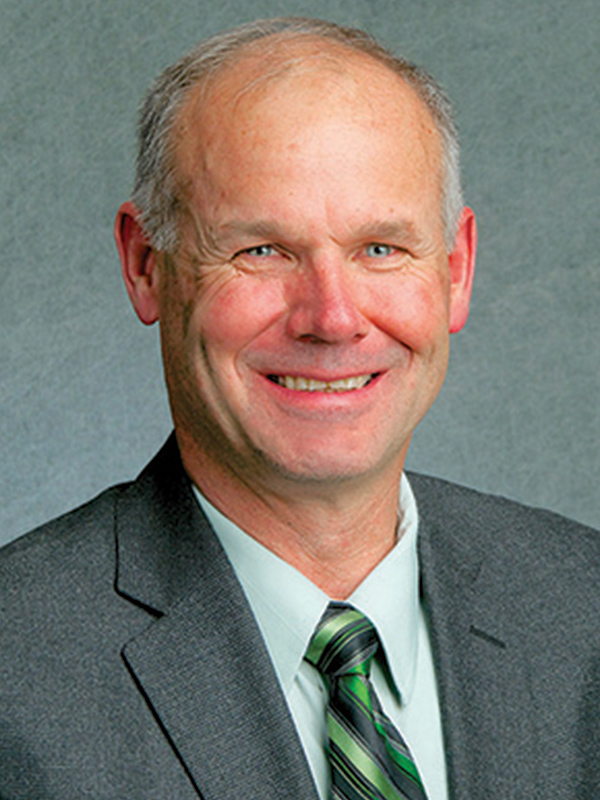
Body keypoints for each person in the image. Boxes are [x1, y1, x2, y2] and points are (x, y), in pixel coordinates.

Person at [0, 16, 598, 800]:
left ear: (455, 269)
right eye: (262, 250)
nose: (333, 316)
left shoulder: (580, 608)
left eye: (380, 248)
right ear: (146, 265)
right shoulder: (20, 673)